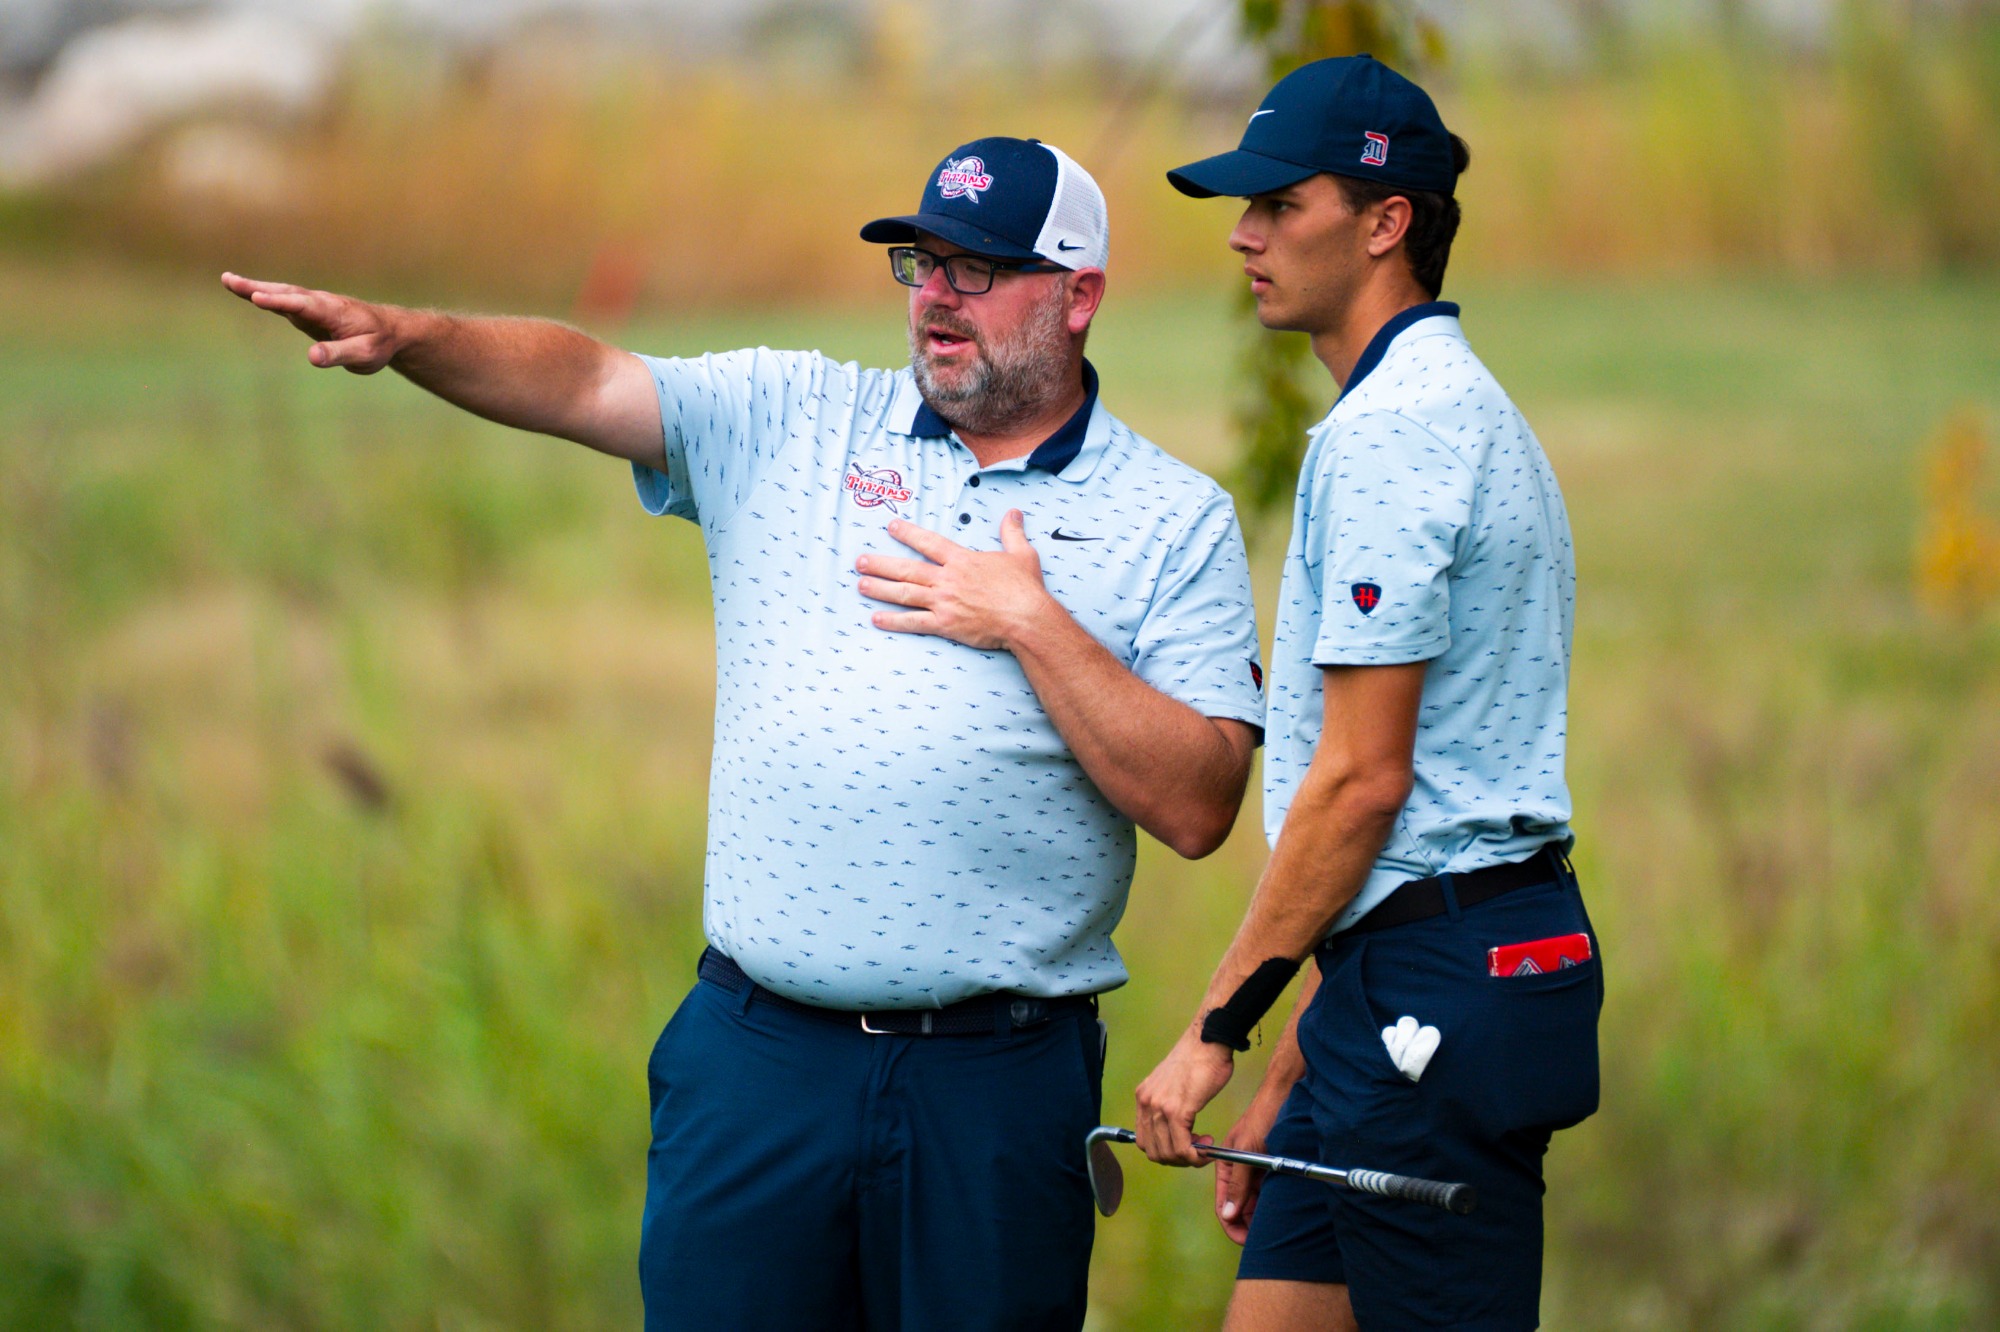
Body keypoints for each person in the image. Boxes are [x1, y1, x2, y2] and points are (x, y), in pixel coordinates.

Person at [223, 135, 1266, 1331]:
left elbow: (1196, 804)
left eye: (974, 271)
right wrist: (414, 337)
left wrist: (1031, 623)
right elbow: (582, 381)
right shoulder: (799, 414)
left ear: (1078, 296)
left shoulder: (1171, 516)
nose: (934, 297)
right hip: (760, 1062)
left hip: (993, 1082)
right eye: (920, 264)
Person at [1131, 57, 1601, 1331]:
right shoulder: (1435, 408)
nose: (1243, 234)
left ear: (1386, 220)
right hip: (1391, 991)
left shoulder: (1396, 430)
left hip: (1442, 999)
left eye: (1282, 204)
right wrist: (1303, 1055)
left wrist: (1218, 1030)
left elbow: (1362, 781)